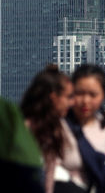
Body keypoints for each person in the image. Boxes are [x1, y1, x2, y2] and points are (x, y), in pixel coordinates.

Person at [21, 64, 84, 193]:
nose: (72, 103)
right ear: (54, 97)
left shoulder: (60, 127)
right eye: (68, 97)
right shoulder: (26, 130)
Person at [66, 64, 105, 192]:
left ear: (104, 95)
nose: (86, 100)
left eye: (93, 95)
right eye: (79, 93)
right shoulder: (59, 126)